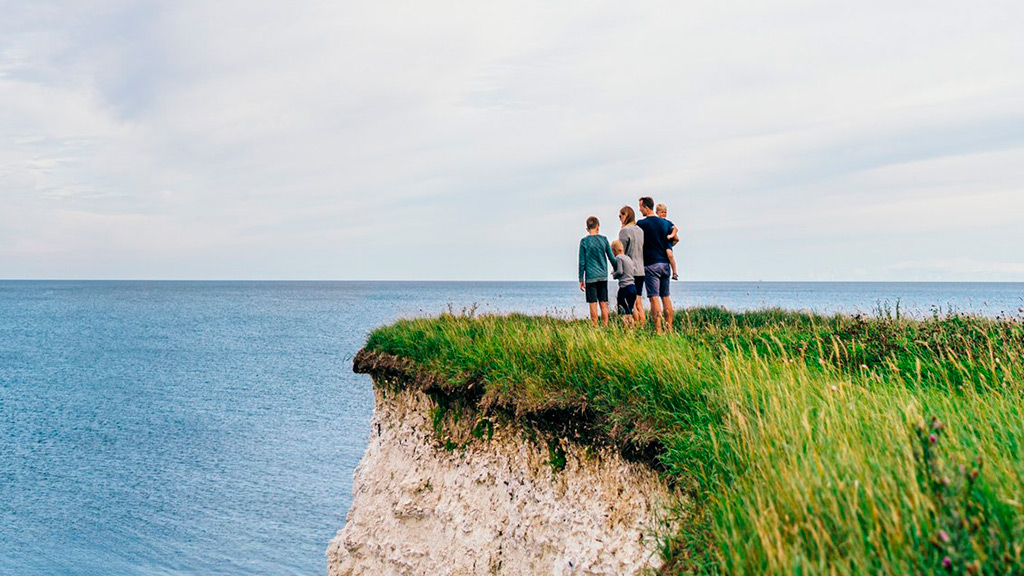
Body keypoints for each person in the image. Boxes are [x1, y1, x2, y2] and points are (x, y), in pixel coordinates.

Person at [636, 197, 674, 333]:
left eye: (640, 207)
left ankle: (658, 330)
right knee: (666, 297)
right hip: (665, 263)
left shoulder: (641, 224)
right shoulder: (665, 223)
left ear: (646, 207)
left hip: (651, 264)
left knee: (654, 298)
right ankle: (669, 329)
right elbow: (674, 238)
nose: (639, 209)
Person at [578, 215, 616, 327]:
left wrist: (581, 279)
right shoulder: (604, 240)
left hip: (590, 277)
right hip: (603, 276)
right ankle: (605, 326)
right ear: (598, 227)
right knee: (604, 304)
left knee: (593, 304)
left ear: (587, 228)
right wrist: (618, 269)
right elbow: (611, 258)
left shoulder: (584, 242)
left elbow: (582, 262)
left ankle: (595, 327)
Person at [617, 206, 646, 325]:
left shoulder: (624, 231)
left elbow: (621, 251)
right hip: (641, 270)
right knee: (638, 301)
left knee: (631, 304)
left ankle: (632, 329)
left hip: (629, 271)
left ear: (626, 215)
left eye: (620, 216)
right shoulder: (640, 230)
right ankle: (642, 327)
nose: (619, 219)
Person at [610, 240, 637, 326]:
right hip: (633, 287)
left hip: (624, 288)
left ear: (614, 250)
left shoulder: (618, 258)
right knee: (629, 312)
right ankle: (632, 330)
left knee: (623, 312)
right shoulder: (628, 258)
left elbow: (620, 271)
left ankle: (625, 331)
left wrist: (614, 274)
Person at [656, 203, 680, 281]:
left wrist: (671, 235)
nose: (664, 214)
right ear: (657, 213)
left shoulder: (668, 223)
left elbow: (675, 229)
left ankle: (675, 272)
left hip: (667, 243)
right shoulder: (655, 222)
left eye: (665, 212)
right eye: (662, 212)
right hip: (660, 243)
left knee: (670, 255)